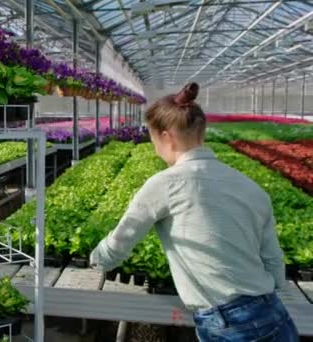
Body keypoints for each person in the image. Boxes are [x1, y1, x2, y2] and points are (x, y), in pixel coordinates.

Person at [89, 82, 299, 342]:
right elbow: (274, 263)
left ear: (166, 137)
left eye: (152, 138)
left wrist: (97, 260)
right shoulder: (251, 187)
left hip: (229, 323)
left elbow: (120, 243)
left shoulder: (166, 184)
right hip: (273, 313)